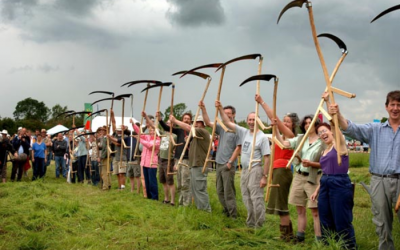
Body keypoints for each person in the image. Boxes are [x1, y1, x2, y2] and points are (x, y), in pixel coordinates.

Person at [330, 90, 400, 250]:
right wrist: (338, 114)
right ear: (386, 107)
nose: (396, 108)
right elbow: (352, 128)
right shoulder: (375, 129)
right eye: (392, 105)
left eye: (399, 105)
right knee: (382, 221)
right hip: (379, 181)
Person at [216, 100, 270, 227]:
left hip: (256, 169)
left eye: (254, 119)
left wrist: (264, 176)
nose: (251, 122)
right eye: (249, 120)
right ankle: (250, 222)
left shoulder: (262, 137)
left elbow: (267, 158)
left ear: (258, 121)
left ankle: (259, 224)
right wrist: (220, 108)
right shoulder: (244, 132)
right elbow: (227, 122)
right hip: (245, 170)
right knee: (246, 196)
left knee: (256, 197)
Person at [255, 94, 299, 241]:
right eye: (284, 121)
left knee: (281, 204)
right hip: (277, 170)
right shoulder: (280, 136)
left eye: (288, 122)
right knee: (280, 204)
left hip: (283, 171)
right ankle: (287, 234)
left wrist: (262, 102)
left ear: (293, 125)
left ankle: (286, 237)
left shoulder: (291, 136)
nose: (285, 124)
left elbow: (275, 119)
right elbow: (275, 125)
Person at [275, 114, 323, 242]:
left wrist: (312, 163)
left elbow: (325, 162)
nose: (308, 125)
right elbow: (283, 143)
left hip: (313, 177)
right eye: (306, 123)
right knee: (300, 209)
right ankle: (300, 237)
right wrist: (275, 129)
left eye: (310, 122)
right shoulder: (301, 138)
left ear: (316, 125)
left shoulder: (322, 141)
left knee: (315, 211)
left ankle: (319, 239)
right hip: (299, 176)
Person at [310, 120, 356, 249]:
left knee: (341, 220)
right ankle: (330, 245)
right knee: (325, 219)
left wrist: (333, 116)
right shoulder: (326, 150)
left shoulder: (339, 146)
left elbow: (339, 134)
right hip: (325, 184)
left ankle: (347, 247)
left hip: (339, 184)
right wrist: (316, 191)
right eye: (319, 133)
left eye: (325, 130)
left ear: (331, 131)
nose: (322, 134)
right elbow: (325, 172)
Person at [200, 101, 241, 218]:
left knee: (229, 192)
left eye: (228, 113)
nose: (225, 114)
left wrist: (230, 162)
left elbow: (238, 148)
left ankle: (233, 215)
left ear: (234, 115)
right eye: (224, 112)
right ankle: (226, 210)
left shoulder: (237, 129)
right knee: (219, 191)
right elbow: (207, 122)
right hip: (218, 163)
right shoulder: (222, 128)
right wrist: (203, 109)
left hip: (228, 165)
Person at [170, 114, 211, 212]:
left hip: (200, 165)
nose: (196, 124)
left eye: (199, 122)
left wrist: (175, 121)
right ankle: (200, 210)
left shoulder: (203, 131)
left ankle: (206, 211)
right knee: (195, 189)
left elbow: (188, 127)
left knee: (200, 190)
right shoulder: (195, 136)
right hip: (194, 165)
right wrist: (188, 142)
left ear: (203, 124)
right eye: (195, 122)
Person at [159, 112, 193, 206]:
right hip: (178, 159)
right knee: (179, 182)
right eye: (185, 118)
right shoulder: (179, 131)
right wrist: (160, 120)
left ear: (190, 121)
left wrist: (189, 140)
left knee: (185, 182)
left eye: (188, 118)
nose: (186, 119)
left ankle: (186, 204)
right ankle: (181, 202)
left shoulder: (192, 130)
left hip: (187, 159)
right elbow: (166, 128)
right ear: (182, 120)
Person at [131, 112, 161, 200]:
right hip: (144, 162)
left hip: (152, 163)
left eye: (153, 130)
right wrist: (133, 124)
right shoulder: (147, 136)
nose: (151, 132)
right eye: (150, 130)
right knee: (146, 181)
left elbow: (150, 145)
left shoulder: (158, 139)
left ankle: (154, 197)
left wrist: (139, 139)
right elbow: (140, 133)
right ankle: (148, 196)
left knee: (152, 181)